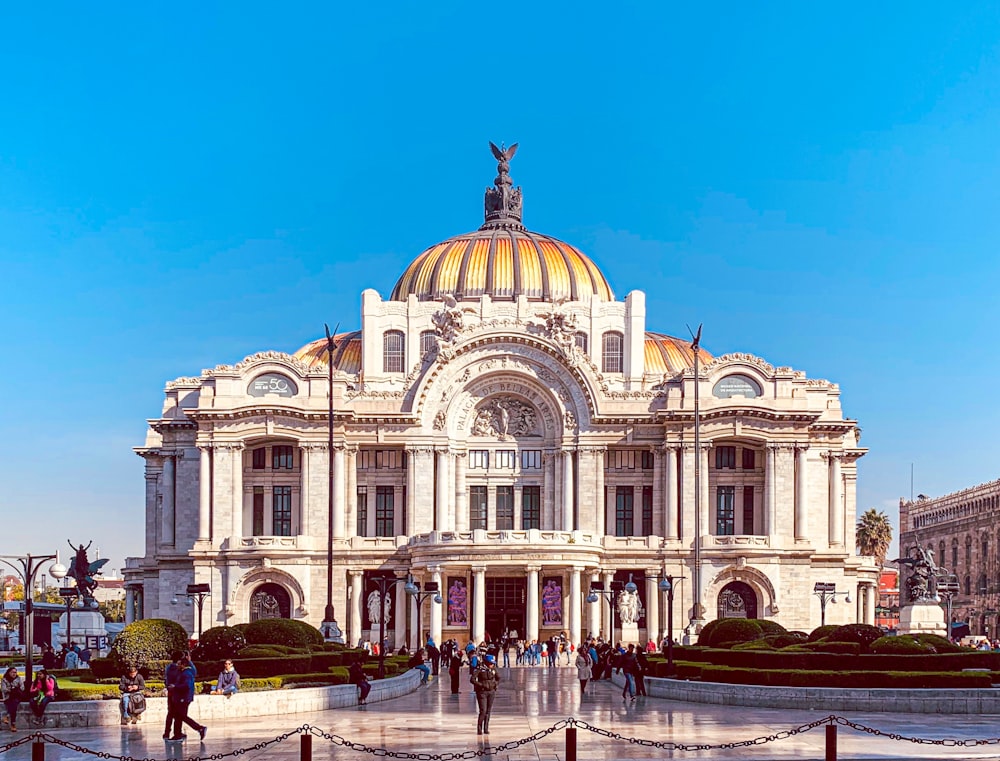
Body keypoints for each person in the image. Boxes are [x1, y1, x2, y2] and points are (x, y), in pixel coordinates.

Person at [164, 651, 207, 742]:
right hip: (179, 695)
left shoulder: (181, 671)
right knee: (178, 715)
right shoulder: (183, 670)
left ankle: (177, 733)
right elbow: (194, 671)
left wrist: (174, 686)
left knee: (177, 715)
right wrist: (189, 661)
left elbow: (186, 684)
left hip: (181, 696)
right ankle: (178, 733)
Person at [471, 653, 500, 734]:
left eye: (492, 663)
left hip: (491, 691)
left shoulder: (493, 669)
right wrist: (481, 685)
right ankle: (479, 728)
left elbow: (498, 677)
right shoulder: (480, 668)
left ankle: (486, 728)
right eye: (490, 663)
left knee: (488, 711)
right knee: (483, 710)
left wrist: (495, 685)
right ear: (486, 663)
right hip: (482, 692)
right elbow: (472, 679)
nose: (492, 665)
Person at [1, 667, 24, 732]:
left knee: (14, 701)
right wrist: (11, 689)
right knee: (14, 703)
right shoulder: (4, 680)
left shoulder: (19, 679)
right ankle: (13, 724)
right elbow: (3, 689)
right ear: (9, 673)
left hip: (17, 696)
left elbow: (22, 688)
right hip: (8, 697)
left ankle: (7, 717)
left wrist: (15, 689)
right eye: (12, 672)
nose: (14, 674)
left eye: (15, 672)